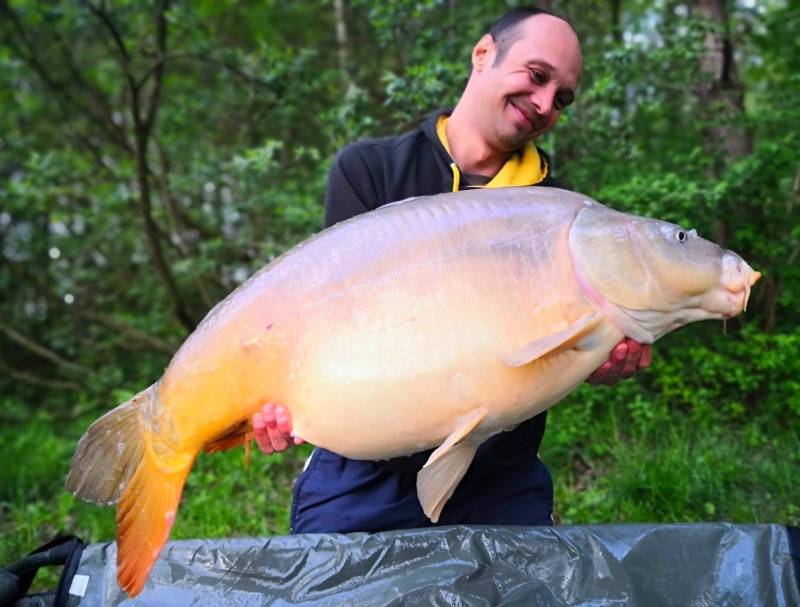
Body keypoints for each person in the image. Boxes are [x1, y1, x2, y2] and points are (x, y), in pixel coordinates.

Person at [252, 6, 652, 533]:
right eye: (536, 76)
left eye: (563, 97)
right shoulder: (369, 170)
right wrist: (280, 396)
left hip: (497, 475)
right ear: (484, 53)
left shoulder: (565, 215)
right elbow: (326, 322)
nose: (545, 104)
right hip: (365, 466)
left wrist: (599, 354)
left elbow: (563, 347)